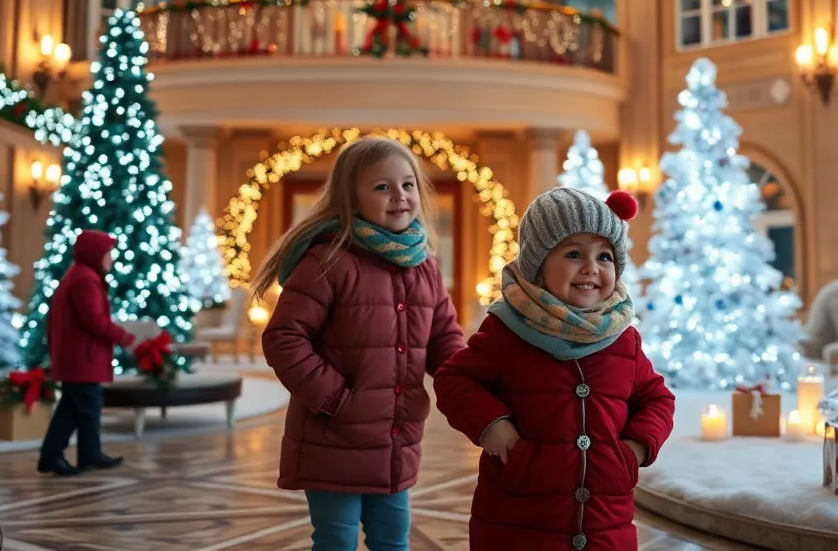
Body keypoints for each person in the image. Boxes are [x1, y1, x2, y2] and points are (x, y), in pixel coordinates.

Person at [434, 187, 676, 551]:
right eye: (574, 254)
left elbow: (658, 398)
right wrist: (493, 426)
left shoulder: (623, 339)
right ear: (538, 264)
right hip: (520, 524)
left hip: (604, 526)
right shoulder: (507, 329)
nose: (591, 267)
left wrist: (635, 448)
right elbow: (454, 379)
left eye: (605, 256)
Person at [258, 136, 466, 551]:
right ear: (351, 198)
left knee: (393, 541)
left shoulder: (425, 266)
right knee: (336, 541)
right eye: (382, 187)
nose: (399, 196)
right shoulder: (330, 260)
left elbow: (445, 338)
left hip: (395, 439)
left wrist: (470, 382)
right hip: (333, 439)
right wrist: (337, 399)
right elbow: (284, 338)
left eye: (408, 184)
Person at [38, 229, 137, 476]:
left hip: (78, 358)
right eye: (107, 253)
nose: (111, 259)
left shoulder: (79, 275)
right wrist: (124, 337)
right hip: (82, 358)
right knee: (87, 408)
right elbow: (94, 319)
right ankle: (77, 455)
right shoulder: (86, 279)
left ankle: (67, 455)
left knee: (72, 409)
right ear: (95, 254)